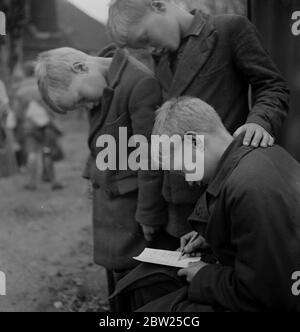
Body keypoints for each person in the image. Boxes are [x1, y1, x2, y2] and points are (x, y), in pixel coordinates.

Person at [107, 0, 290, 242]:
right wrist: (150, 210)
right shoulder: (161, 60)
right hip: (175, 202)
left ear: (159, 6)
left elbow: (271, 86)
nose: (150, 49)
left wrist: (259, 122)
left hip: (220, 190)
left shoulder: (228, 30)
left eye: (146, 37)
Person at [112, 97, 300, 312]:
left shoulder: (249, 189)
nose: (187, 179)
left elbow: (267, 293)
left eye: (183, 169)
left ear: (194, 141)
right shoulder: (258, 156)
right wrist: (213, 234)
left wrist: (204, 275)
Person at [35, 46, 174, 277]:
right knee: (118, 275)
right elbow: (99, 139)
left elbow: (151, 157)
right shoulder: (100, 84)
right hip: (114, 207)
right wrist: (91, 172)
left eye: (80, 99)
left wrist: (149, 214)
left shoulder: (138, 84)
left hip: (134, 209)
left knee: (140, 277)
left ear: (80, 67)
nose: (86, 106)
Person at [13, 62, 64, 191]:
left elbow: (18, 113)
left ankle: (32, 183)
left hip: (30, 125)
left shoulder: (20, 91)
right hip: (47, 125)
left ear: (24, 73)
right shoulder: (43, 87)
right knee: (47, 152)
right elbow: (54, 107)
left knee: (32, 154)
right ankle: (53, 181)